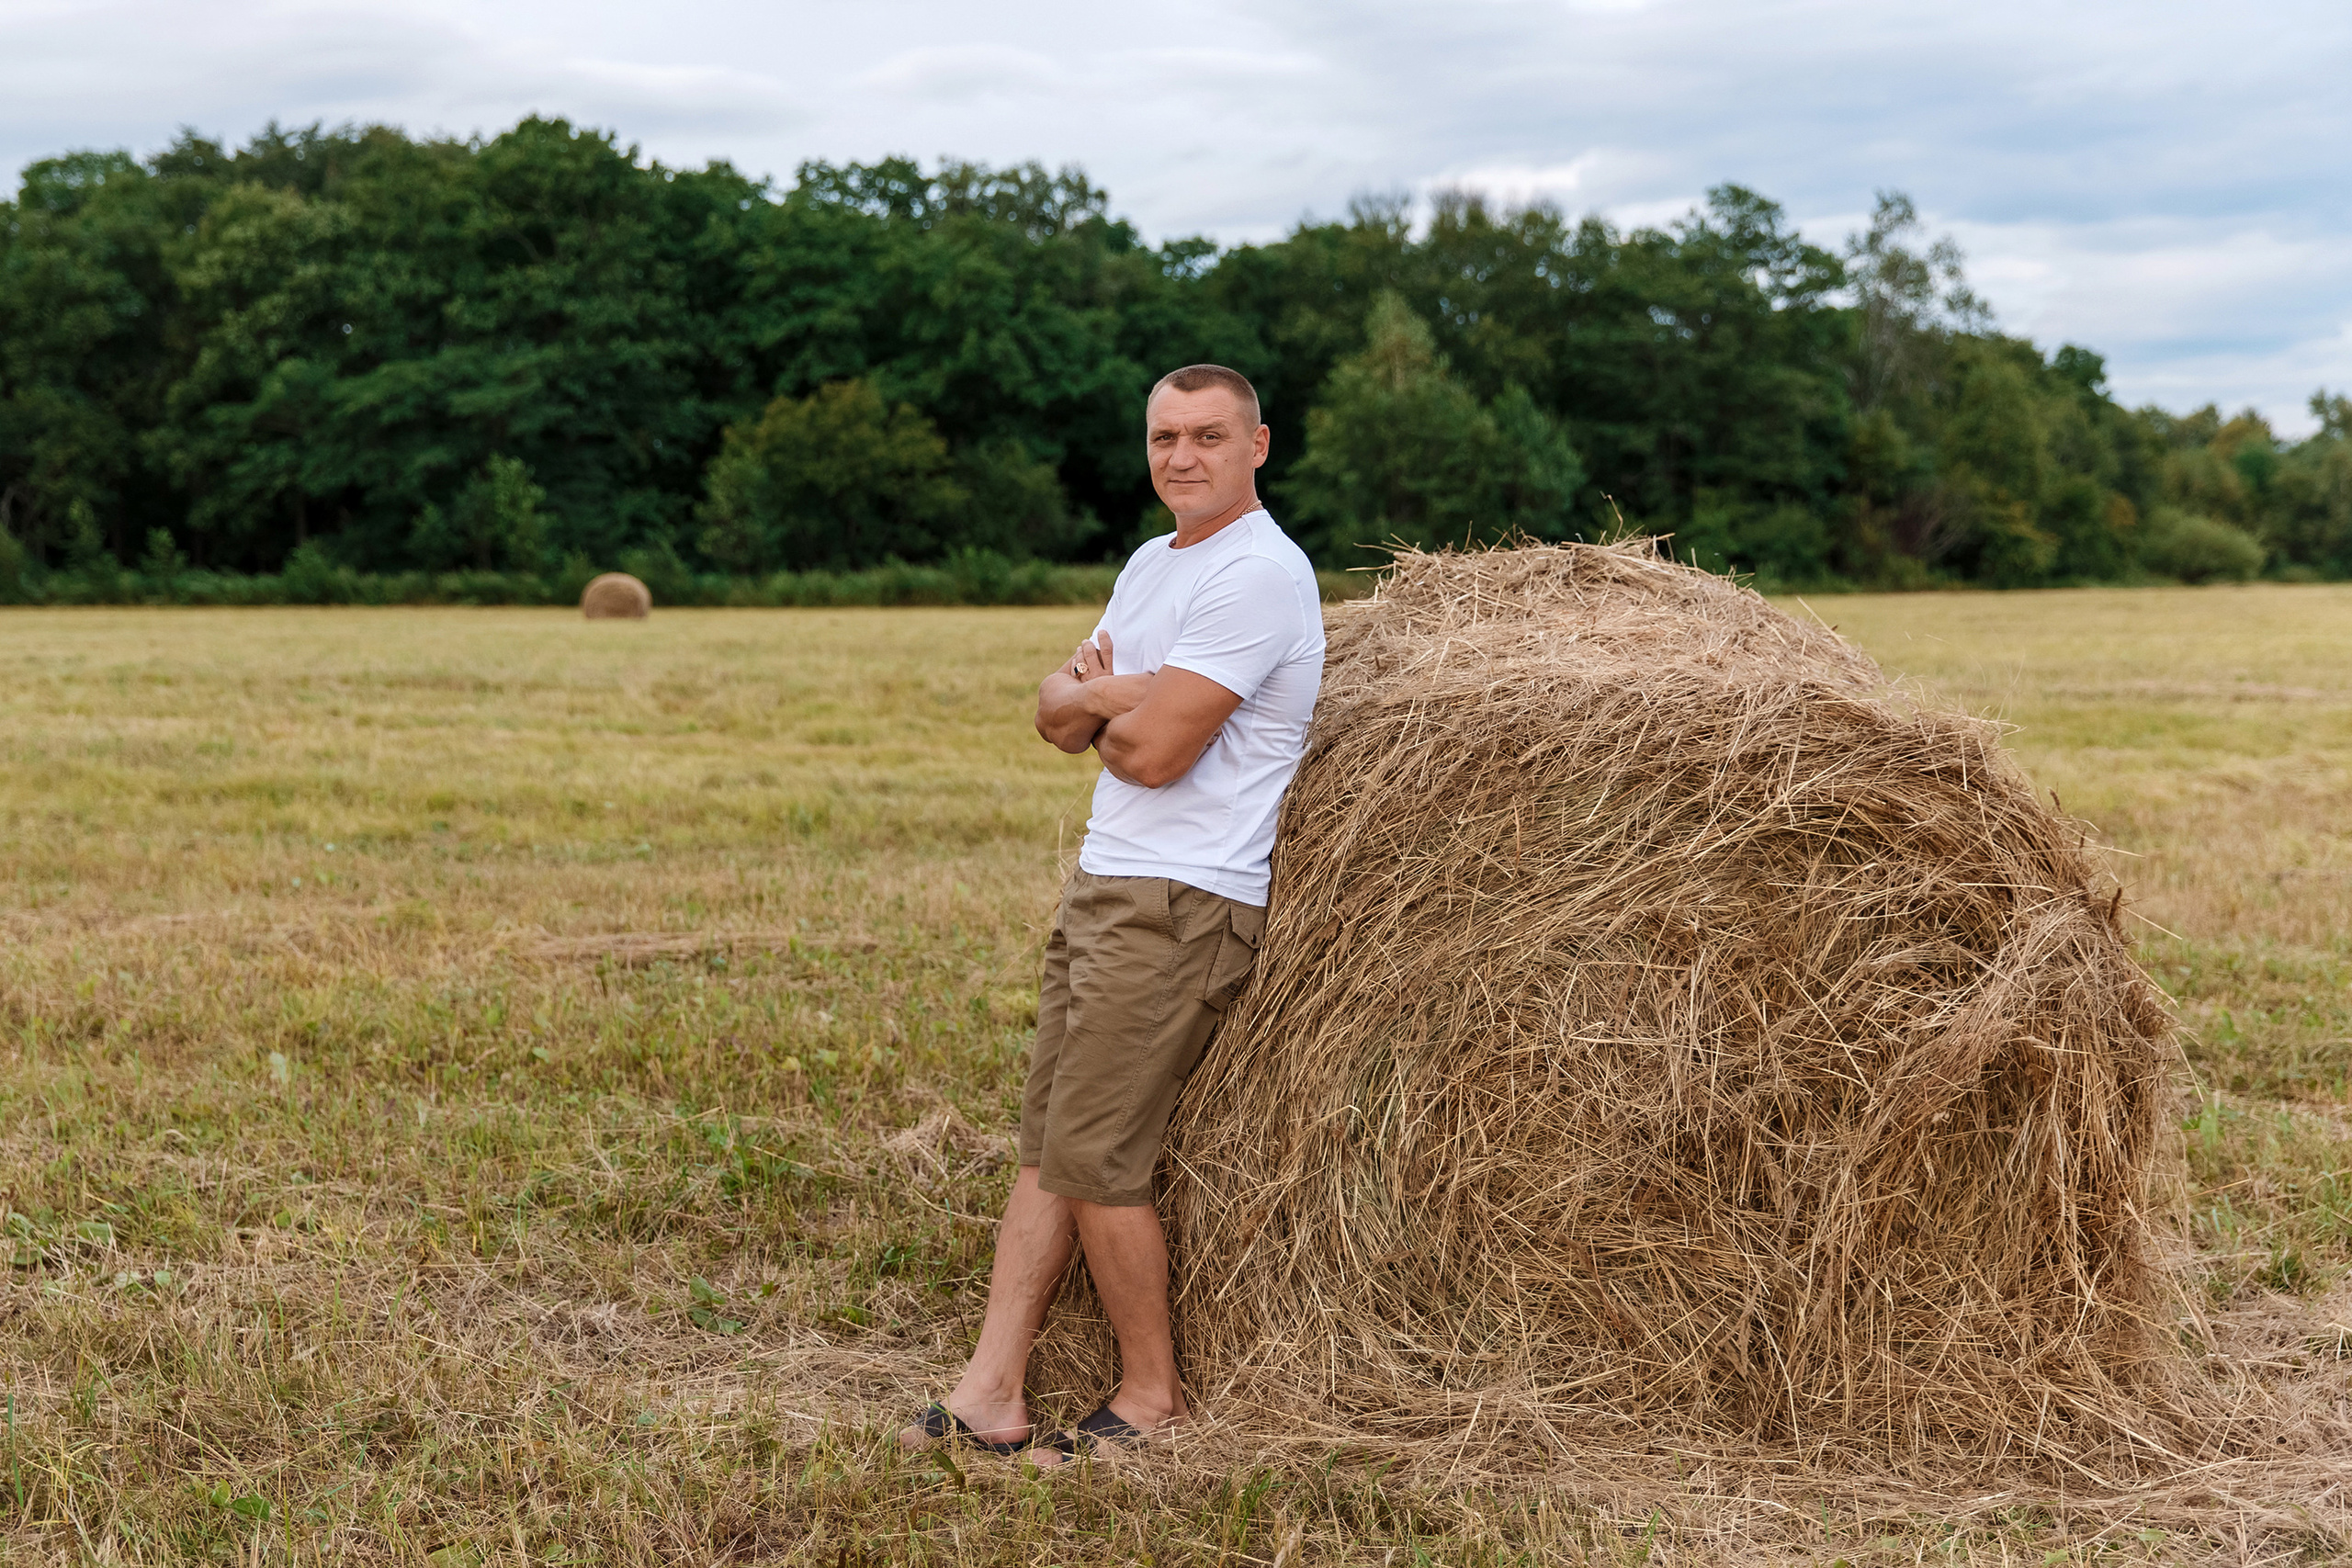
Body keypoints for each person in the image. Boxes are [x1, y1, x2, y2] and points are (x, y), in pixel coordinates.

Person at [901, 364, 1325, 1461]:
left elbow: (1152, 752)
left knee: (1096, 1158)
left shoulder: (1260, 575)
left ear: (1258, 446)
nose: (1181, 457)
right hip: (1104, 882)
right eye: (1163, 436)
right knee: (1047, 1147)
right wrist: (1104, 695)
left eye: (1208, 436)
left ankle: (1150, 1396)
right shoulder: (1152, 563)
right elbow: (1055, 716)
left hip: (1183, 902)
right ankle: (991, 1388)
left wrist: (1108, 700)